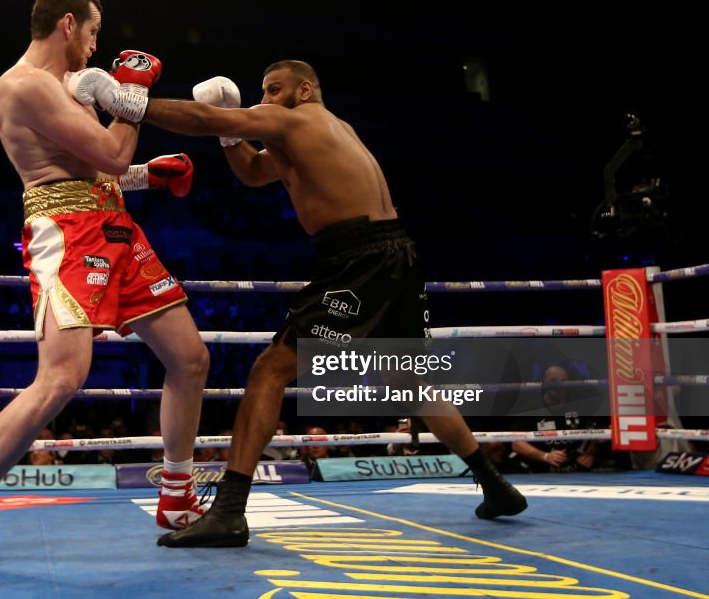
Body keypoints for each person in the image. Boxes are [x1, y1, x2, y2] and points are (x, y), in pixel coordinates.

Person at [111, 60, 528, 547]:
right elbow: (251, 171)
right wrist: (230, 138)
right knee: (407, 382)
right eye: (261, 90)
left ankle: (228, 511)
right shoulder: (327, 131)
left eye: (274, 89)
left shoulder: (301, 119)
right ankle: (496, 486)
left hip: (361, 263)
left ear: (303, 90)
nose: (264, 98)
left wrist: (129, 104)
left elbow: (208, 121)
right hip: (393, 255)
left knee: (270, 370)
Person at [0, 0, 210, 573]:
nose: (96, 48)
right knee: (61, 379)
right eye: (95, 32)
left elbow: (96, 169)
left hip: (115, 226)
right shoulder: (22, 85)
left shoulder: (69, 87)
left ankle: (176, 495)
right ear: (68, 24)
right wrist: (130, 93)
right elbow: (108, 154)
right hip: (66, 234)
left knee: (191, 357)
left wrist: (148, 176)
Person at [509, 365, 618, 473]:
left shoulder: (579, 406)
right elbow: (517, 444)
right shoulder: (531, 408)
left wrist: (590, 453)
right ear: (544, 383)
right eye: (553, 380)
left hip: (574, 469)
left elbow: (599, 430)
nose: (558, 385)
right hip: (539, 469)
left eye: (563, 380)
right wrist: (544, 456)